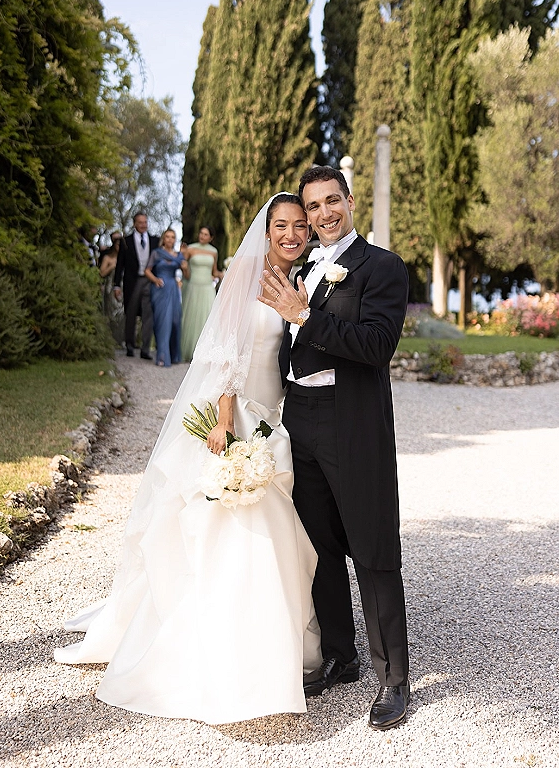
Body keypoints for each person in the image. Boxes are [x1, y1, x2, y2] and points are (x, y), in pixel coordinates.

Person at [54, 194, 321, 724]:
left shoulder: (304, 280)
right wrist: (224, 421)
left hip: (274, 419)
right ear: (266, 232)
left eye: (300, 227)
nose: (291, 235)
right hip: (237, 415)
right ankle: (235, 662)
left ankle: (283, 649)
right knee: (242, 529)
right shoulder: (245, 277)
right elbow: (226, 349)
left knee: (279, 528)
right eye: (281, 227)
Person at [258, 165, 411, 731]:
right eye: (312, 206)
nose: (321, 215)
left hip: (352, 421)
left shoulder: (383, 268)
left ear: (349, 202)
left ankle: (393, 678)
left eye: (330, 202)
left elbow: (375, 346)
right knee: (318, 543)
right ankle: (341, 655)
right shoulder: (302, 270)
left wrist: (305, 315)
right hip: (301, 420)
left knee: (371, 545)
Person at [113, 212, 159, 359]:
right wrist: (116, 285)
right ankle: (130, 346)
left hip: (149, 281)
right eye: (140, 222)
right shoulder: (126, 241)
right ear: (134, 224)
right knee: (131, 314)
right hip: (132, 282)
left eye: (145, 222)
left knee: (148, 314)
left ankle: (145, 349)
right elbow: (119, 265)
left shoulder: (155, 241)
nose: (143, 225)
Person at [180, 225, 223, 362]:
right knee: (191, 317)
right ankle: (188, 351)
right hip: (193, 286)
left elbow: (213, 272)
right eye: (201, 233)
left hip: (207, 288)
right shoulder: (190, 249)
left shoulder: (214, 252)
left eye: (205, 234)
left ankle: (204, 353)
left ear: (211, 238)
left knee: (207, 317)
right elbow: (184, 269)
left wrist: (223, 274)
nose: (202, 236)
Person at [144, 229, 186, 366]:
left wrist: (185, 268)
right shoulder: (157, 253)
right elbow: (147, 270)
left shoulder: (179, 255)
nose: (170, 239)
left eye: (172, 237)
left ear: (175, 239)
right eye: (167, 237)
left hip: (173, 289)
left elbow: (186, 274)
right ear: (164, 238)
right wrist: (155, 280)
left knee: (174, 321)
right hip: (160, 289)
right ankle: (162, 356)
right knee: (163, 322)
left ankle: (174, 355)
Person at [99, 231, 125, 345]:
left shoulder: (125, 259)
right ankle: (109, 339)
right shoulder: (108, 258)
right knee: (110, 313)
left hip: (123, 288)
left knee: (122, 313)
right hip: (110, 288)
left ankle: (120, 339)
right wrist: (112, 267)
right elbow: (101, 273)